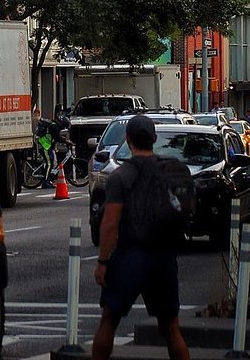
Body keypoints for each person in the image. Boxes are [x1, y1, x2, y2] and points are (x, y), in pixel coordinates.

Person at [92, 114, 190, 360]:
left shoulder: (121, 176)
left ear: (128, 140)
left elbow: (110, 222)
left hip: (130, 256)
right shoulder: (170, 172)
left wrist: (103, 261)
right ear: (154, 139)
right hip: (164, 257)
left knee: (109, 321)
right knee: (170, 327)